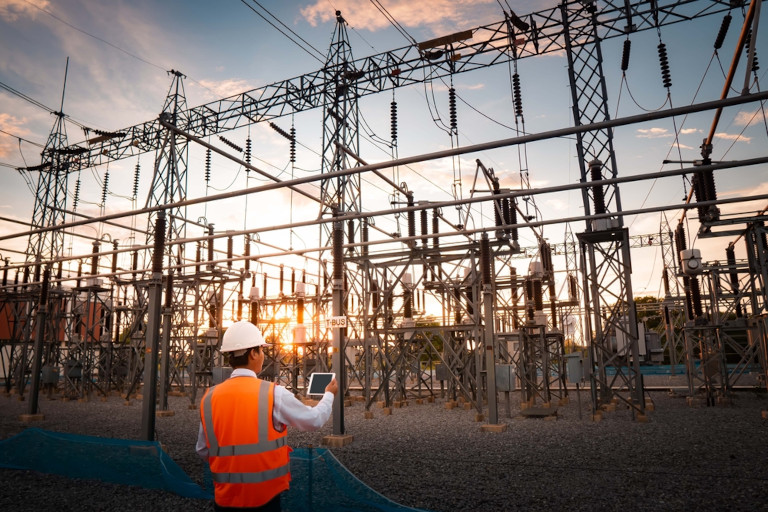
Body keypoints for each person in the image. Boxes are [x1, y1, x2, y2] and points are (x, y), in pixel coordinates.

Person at [196, 320, 337, 511]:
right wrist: (329, 395)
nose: (263, 355)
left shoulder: (209, 397)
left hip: (225, 500)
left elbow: (203, 450)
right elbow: (314, 420)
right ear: (253, 353)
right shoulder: (272, 394)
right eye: (261, 350)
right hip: (264, 500)